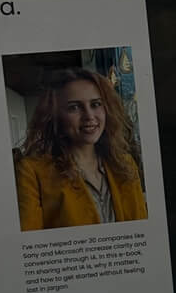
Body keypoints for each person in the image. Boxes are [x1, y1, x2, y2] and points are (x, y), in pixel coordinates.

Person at [14, 67, 147, 230]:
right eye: (74, 107)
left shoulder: (125, 164)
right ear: (55, 116)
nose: (89, 116)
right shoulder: (32, 171)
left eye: (96, 104)